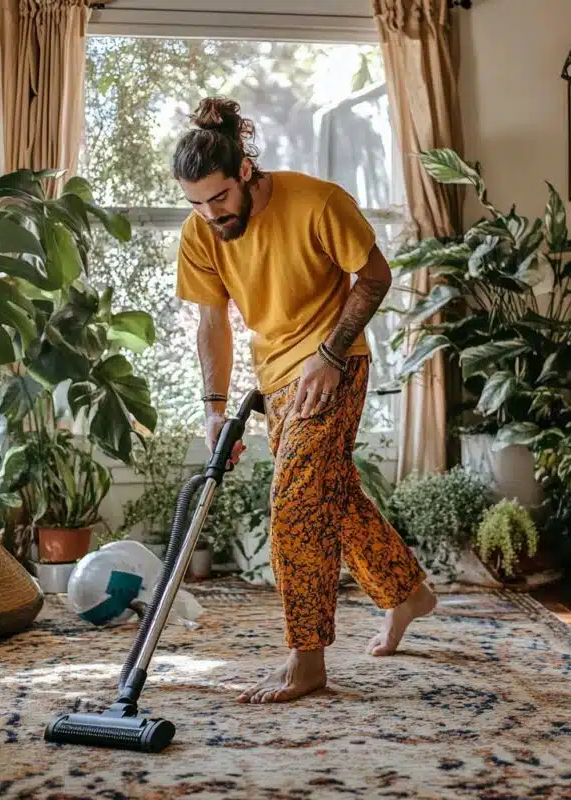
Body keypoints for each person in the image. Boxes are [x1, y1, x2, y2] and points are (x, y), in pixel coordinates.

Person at [173, 97, 437, 705]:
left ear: (244, 171)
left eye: (218, 198)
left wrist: (331, 353)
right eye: (195, 203)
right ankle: (407, 594)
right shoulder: (201, 232)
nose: (210, 214)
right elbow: (212, 321)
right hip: (277, 381)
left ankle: (307, 657)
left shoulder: (318, 201)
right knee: (331, 492)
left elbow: (374, 276)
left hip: (334, 365)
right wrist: (215, 407)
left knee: (294, 500)